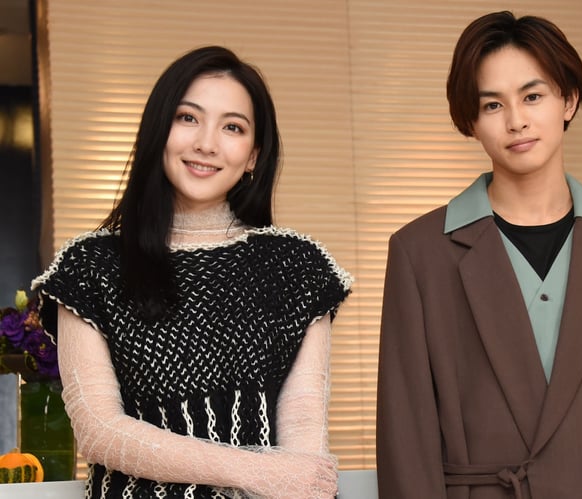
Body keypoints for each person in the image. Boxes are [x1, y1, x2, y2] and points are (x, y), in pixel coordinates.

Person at [31, 46, 351, 498]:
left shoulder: (297, 266)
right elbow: (100, 431)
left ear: (254, 155)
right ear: (158, 130)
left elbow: (303, 434)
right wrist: (256, 471)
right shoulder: (90, 267)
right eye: (188, 118)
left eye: (232, 127)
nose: (206, 143)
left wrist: (286, 478)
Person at [376, 11, 582, 498]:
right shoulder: (419, 252)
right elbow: (406, 437)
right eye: (492, 105)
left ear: (568, 100)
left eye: (533, 96)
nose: (516, 121)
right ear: (471, 122)